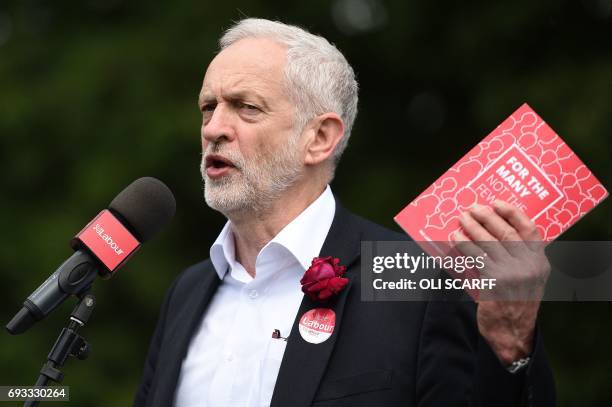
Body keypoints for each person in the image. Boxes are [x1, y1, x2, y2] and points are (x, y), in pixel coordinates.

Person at [134, 18, 555, 407]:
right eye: (209, 107)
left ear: (319, 138)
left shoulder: (418, 281)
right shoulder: (187, 292)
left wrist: (510, 346)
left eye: (246, 107)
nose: (213, 129)